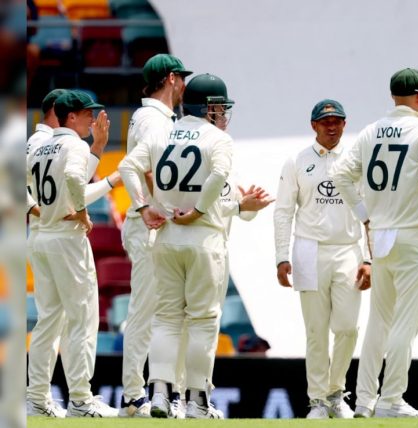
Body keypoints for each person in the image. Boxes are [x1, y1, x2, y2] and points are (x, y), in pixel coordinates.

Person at [119, 73, 265, 419]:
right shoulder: (218, 139)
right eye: (219, 107)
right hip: (203, 237)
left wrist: (144, 206)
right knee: (202, 320)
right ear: (208, 108)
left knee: (166, 319)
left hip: (166, 237)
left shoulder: (162, 132)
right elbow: (218, 176)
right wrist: (199, 210)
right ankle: (197, 401)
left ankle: (159, 395)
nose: (223, 114)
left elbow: (126, 166)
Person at [331, 68, 418, 418]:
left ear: (393, 95)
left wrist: (366, 215)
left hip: (380, 237)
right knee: (405, 324)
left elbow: (340, 174)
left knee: (379, 321)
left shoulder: (371, 130)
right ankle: (391, 400)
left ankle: (365, 401)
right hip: (413, 234)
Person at [274, 99, 371, 419]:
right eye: (325, 122)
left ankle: (335, 392)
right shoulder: (297, 161)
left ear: (345, 124)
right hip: (309, 249)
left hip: (347, 249)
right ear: (313, 125)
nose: (332, 127)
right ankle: (317, 400)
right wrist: (281, 256)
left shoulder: (356, 161)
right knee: (316, 331)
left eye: (337, 121)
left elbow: (370, 212)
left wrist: (369, 259)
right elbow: (284, 211)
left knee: (347, 328)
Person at [26, 88, 118, 418]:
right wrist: (81, 211)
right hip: (66, 239)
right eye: (87, 113)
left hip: (42, 237)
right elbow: (74, 179)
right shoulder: (74, 145)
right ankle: (80, 399)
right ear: (71, 116)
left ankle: (37, 398)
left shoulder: (39, 147)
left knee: (48, 321)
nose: (92, 118)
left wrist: (97, 150)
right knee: (82, 319)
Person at [119, 53, 192, 419]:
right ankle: (133, 396)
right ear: (171, 79)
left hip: (153, 223)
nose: (185, 85)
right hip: (148, 225)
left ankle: (165, 393)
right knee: (146, 312)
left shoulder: (156, 117)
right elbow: (142, 168)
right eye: (182, 78)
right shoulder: (153, 119)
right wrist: (148, 205)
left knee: (163, 312)